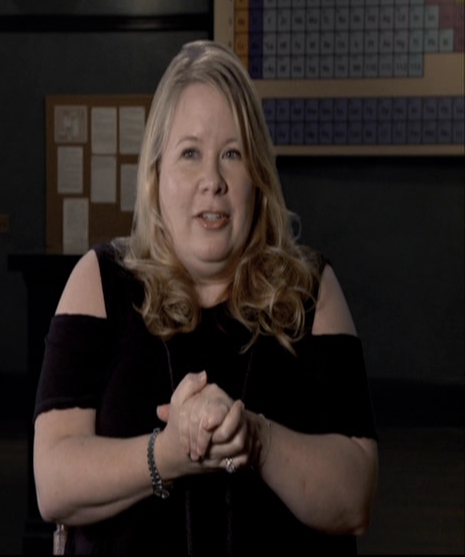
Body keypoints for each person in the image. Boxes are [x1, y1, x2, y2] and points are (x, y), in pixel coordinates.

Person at [32, 40, 378, 555]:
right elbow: (53, 483)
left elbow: (354, 498)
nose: (212, 181)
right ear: (156, 174)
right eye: (190, 153)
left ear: (258, 177)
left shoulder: (311, 288)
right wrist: (168, 454)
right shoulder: (99, 281)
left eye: (232, 154)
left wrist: (255, 438)